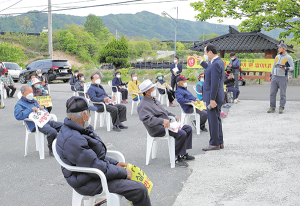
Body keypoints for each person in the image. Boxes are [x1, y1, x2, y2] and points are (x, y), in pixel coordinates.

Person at [56, 96, 151, 206]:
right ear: (83, 115)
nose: (90, 115)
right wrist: (122, 173)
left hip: (89, 174)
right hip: (88, 181)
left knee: (135, 182)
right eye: (89, 112)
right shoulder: (73, 138)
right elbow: (94, 165)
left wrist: (115, 163)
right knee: (139, 189)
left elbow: (93, 158)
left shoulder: (76, 129)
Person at [137, 79, 194, 168]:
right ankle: (176, 158)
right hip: (157, 128)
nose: (154, 90)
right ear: (147, 92)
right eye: (152, 89)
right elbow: (148, 120)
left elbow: (164, 111)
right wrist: (162, 121)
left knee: (188, 128)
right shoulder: (142, 105)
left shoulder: (153, 99)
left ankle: (182, 154)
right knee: (181, 133)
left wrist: (173, 115)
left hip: (167, 124)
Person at [14, 86, 63, 156]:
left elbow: (44, 111)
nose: (32, 93)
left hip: (45, 120)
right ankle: (52, 149)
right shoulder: (19, 104)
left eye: (32, 92)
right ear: (23, 93)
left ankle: (60, 145)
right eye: (30, 92)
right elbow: (18, 116)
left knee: (64, 126)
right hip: (35, 124)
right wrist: (31, 109)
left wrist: (43, 107)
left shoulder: (33, 100)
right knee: (52, 131)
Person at [193, 44, 225, 151]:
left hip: (213, 97)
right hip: (216, 95)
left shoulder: (215, 64)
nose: (205, 54)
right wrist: (201, 61)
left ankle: (214, 143)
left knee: (213, 121)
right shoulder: (216, 62)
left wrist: (212, 99)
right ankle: (219, 142)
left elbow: (215, 83)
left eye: (205, 52)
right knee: (216, 119)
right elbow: (209, 68)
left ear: (210, 52)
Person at [268, 43, 294, 114]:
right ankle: (272, 107)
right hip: (275, 77)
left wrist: (286, 68)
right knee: (272, 93)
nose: (278, 49)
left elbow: (292, 68)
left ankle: (281, 108)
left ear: (283, 49)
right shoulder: (277, 56)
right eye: (278, 48)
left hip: (283, 77)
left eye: (279, 48)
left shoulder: (288, 57)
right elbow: (274, 66)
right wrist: (271, 75)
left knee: (282, 94)